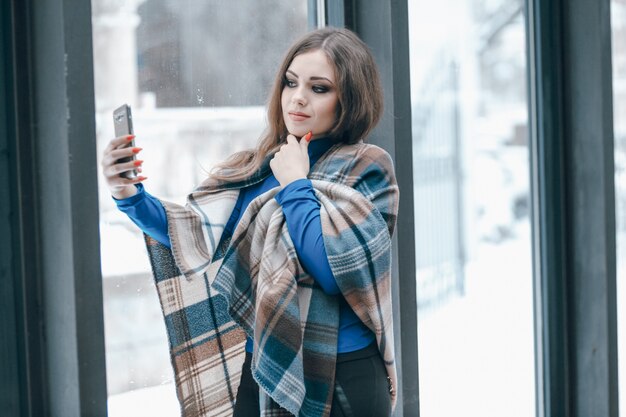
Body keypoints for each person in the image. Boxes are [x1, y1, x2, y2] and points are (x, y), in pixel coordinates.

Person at [101, 27, 399, 417]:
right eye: (291, 83)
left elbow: (331, 269)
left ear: (350, 98)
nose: (298, 97)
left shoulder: (368, 167)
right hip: (264, 365)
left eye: (320, 88)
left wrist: (296, 184)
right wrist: (129, 194)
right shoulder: (258, 166)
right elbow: (195, 234)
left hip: (343, 374)